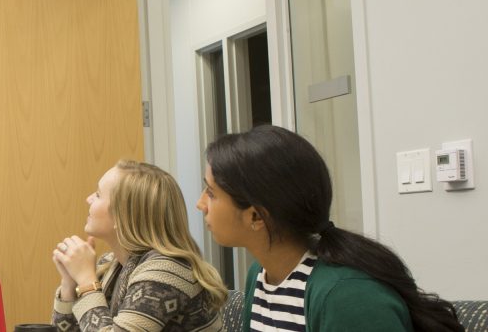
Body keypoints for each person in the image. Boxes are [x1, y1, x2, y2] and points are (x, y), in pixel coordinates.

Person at [200, 125, 463, 331]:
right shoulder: (260, 273)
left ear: (257, 216)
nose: (201, 204)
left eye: (211, 193)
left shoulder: (348, 296)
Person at [52, 160, 227, 332]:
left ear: (122, 215)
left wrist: (86, 282)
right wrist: (69, 285)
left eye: (98, 195)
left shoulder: (166, 270)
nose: (88, 199)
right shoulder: (111, 264)